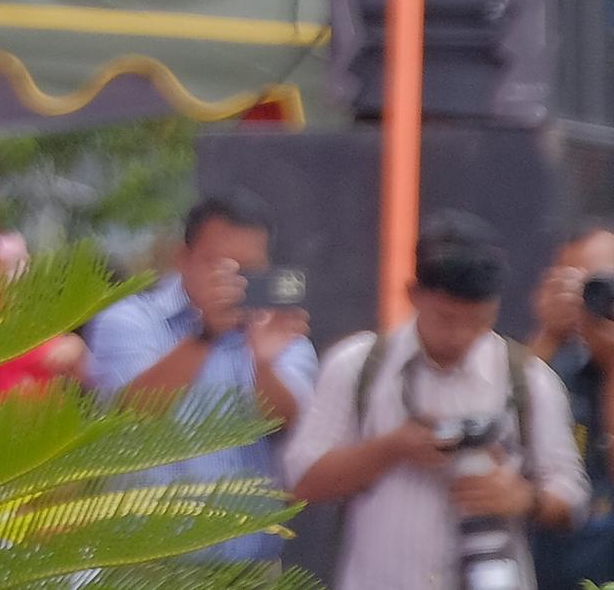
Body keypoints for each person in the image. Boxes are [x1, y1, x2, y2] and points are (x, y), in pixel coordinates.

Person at [291, 213, 587, 589]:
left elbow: (571, 496)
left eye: (477, 322)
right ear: (413, 294)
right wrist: (391, 448)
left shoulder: (528, 379)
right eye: (446, 319)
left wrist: (523, 498)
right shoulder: (357, 367)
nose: (460, 336)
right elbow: (302, 481)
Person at [81, 192, 317, 565]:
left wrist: (264, 365)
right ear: (183, 259)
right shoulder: (130, 319)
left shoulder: (278, 330)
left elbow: (286, 422)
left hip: (247, 571)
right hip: (146, 572)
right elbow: (131, 414)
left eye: (249, 269)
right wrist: (205, 335)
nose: (235, 282)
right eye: (220, 267)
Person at [524, 225, 614, 587]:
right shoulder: (547, 367)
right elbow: (500, 430)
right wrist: (548, 336)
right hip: (550, 567)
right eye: (585, 287)